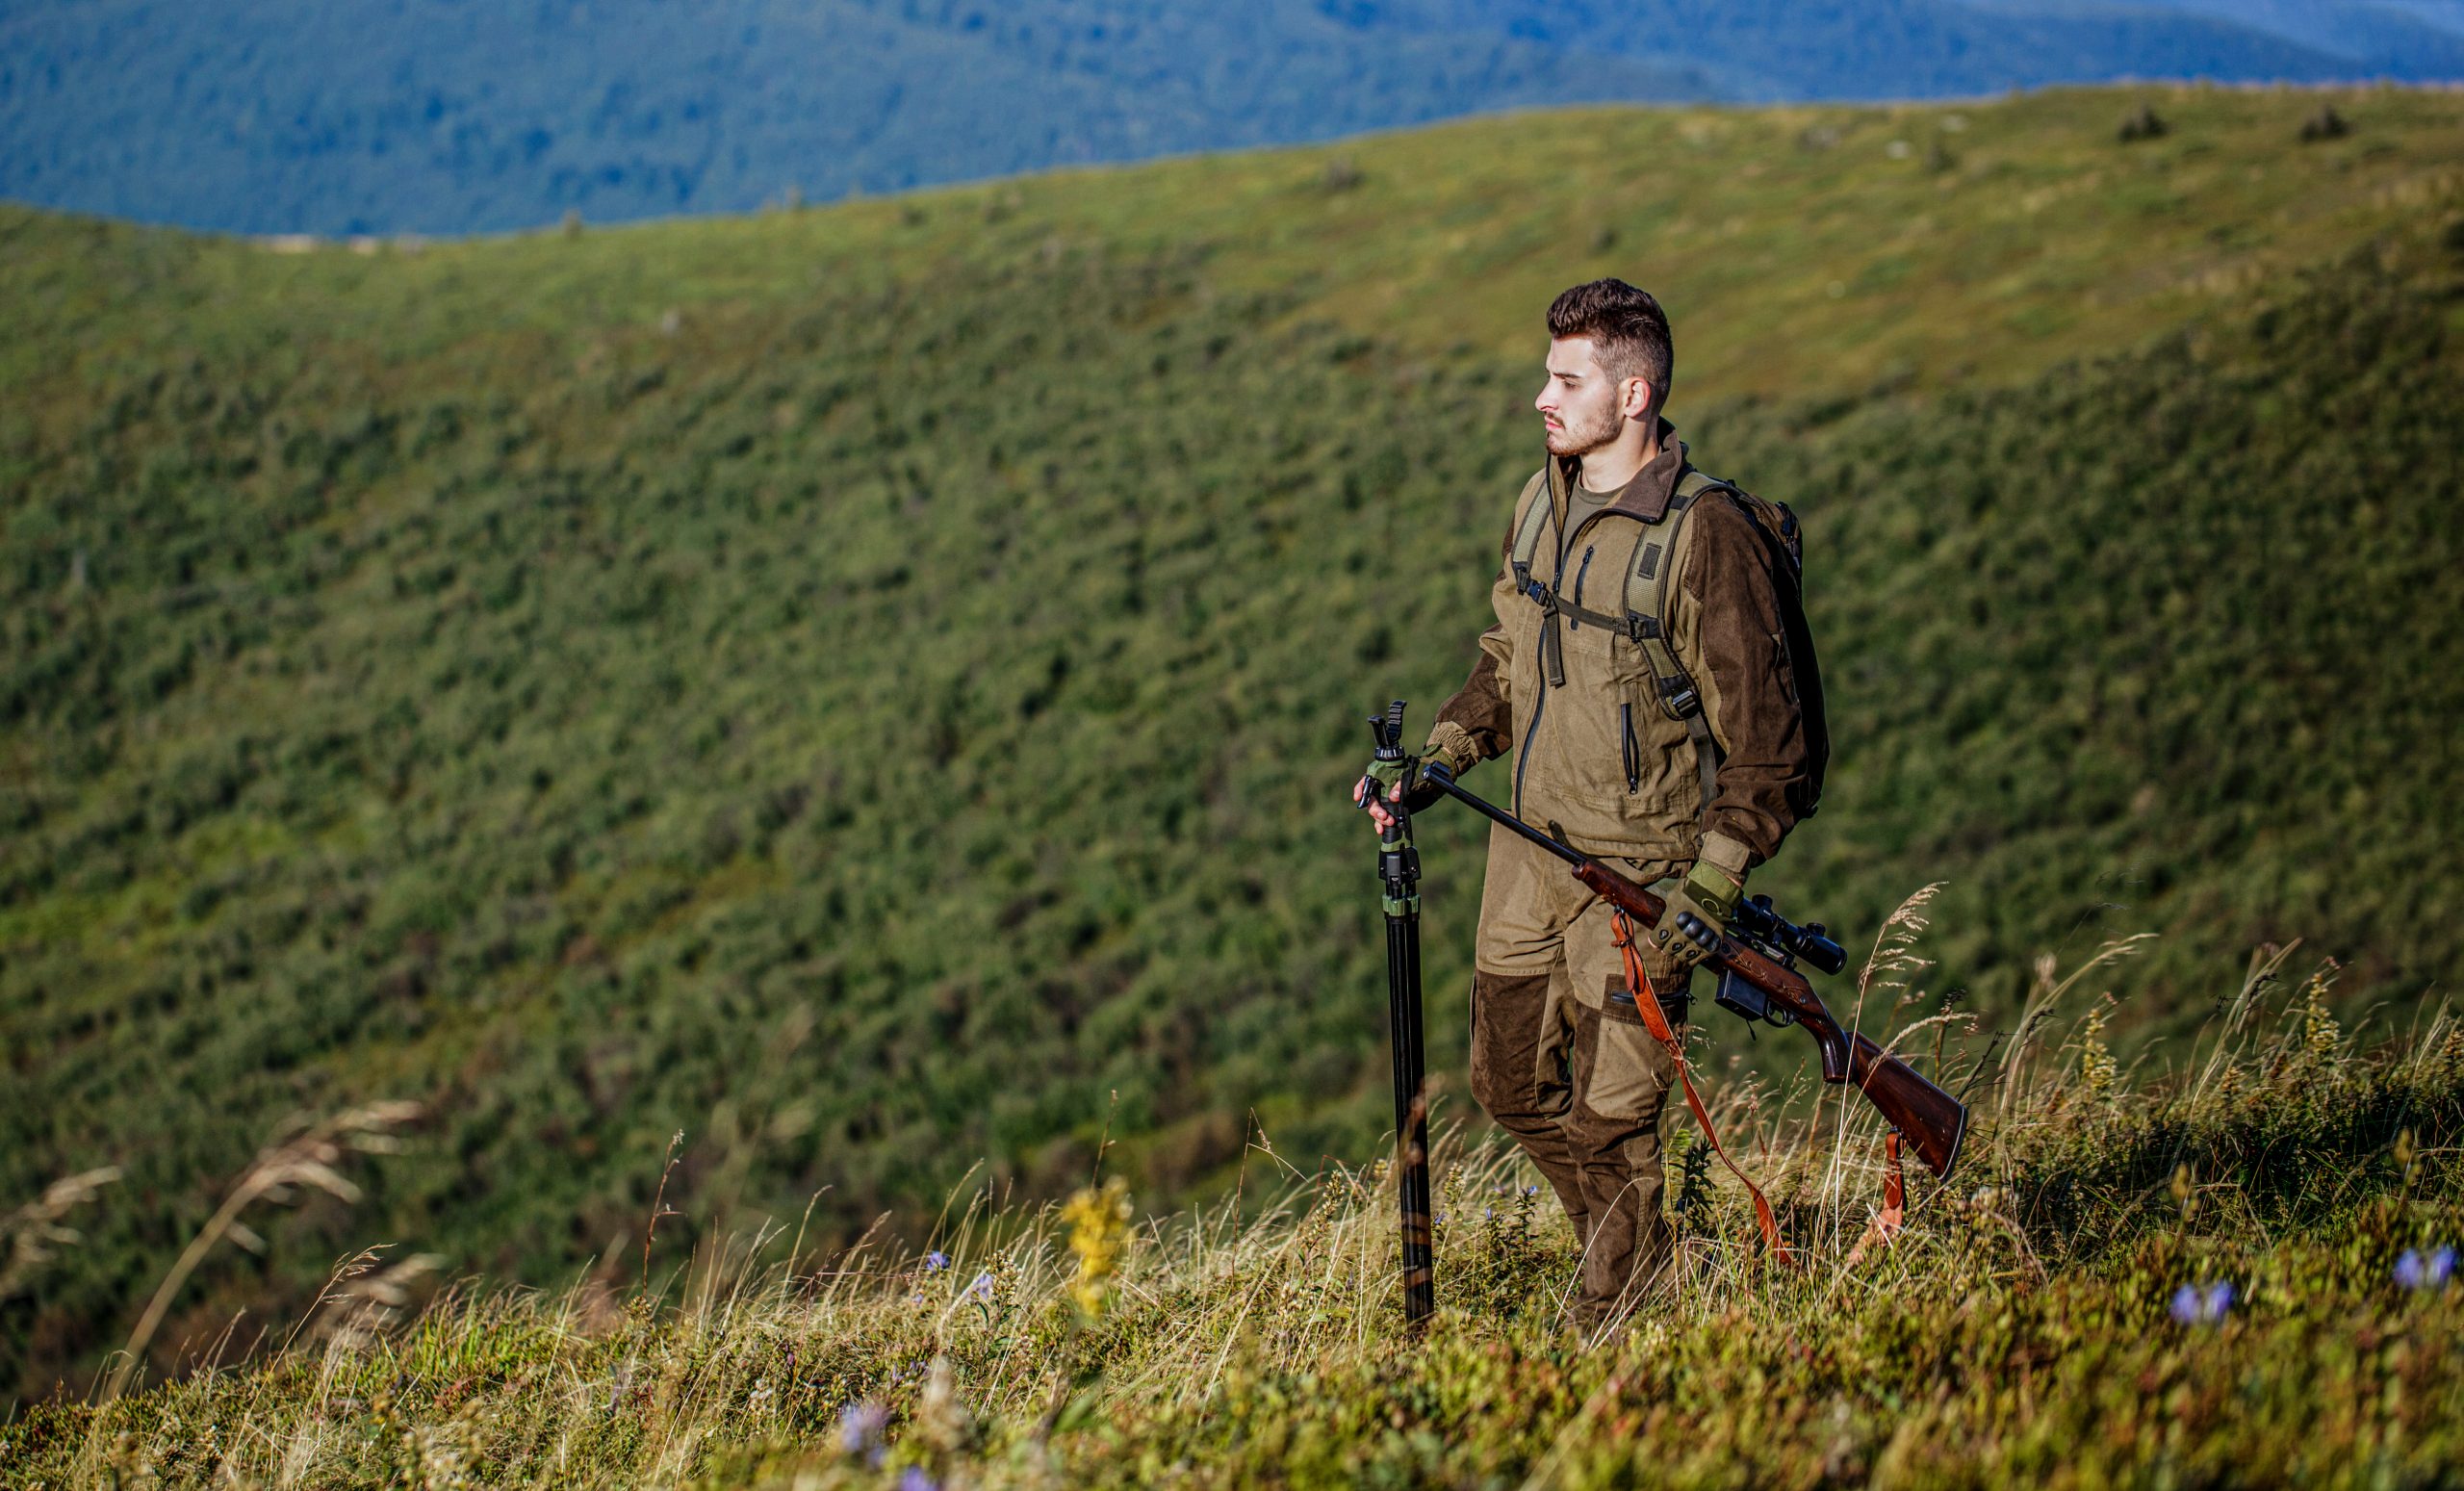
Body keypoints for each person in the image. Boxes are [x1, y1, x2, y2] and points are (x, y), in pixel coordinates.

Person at [1355, 278, 1815, 1327]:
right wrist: (1437, 757)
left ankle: (1605, 1328)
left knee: (1614, 1123)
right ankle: (1636, 1251)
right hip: (1527, 859)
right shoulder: (1541, 499)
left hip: (1643, 882)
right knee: (1507, 1083)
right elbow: (1507, 657)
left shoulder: (1705, 539)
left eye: (1566, 378)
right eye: (1546, 373)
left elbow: (1769, 745)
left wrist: (1713, 882)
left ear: (1636, 390)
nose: (1540, 398)